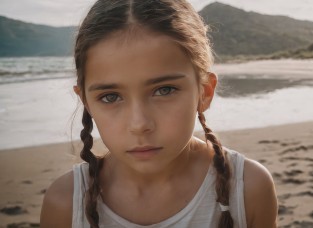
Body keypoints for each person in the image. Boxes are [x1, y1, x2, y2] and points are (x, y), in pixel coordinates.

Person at [40, 0, 278, 227]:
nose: (139, 124)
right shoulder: (65, 204)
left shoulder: (248, 189)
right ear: (87, 103)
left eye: (164, 90)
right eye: (110, 96)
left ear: (204, 92)